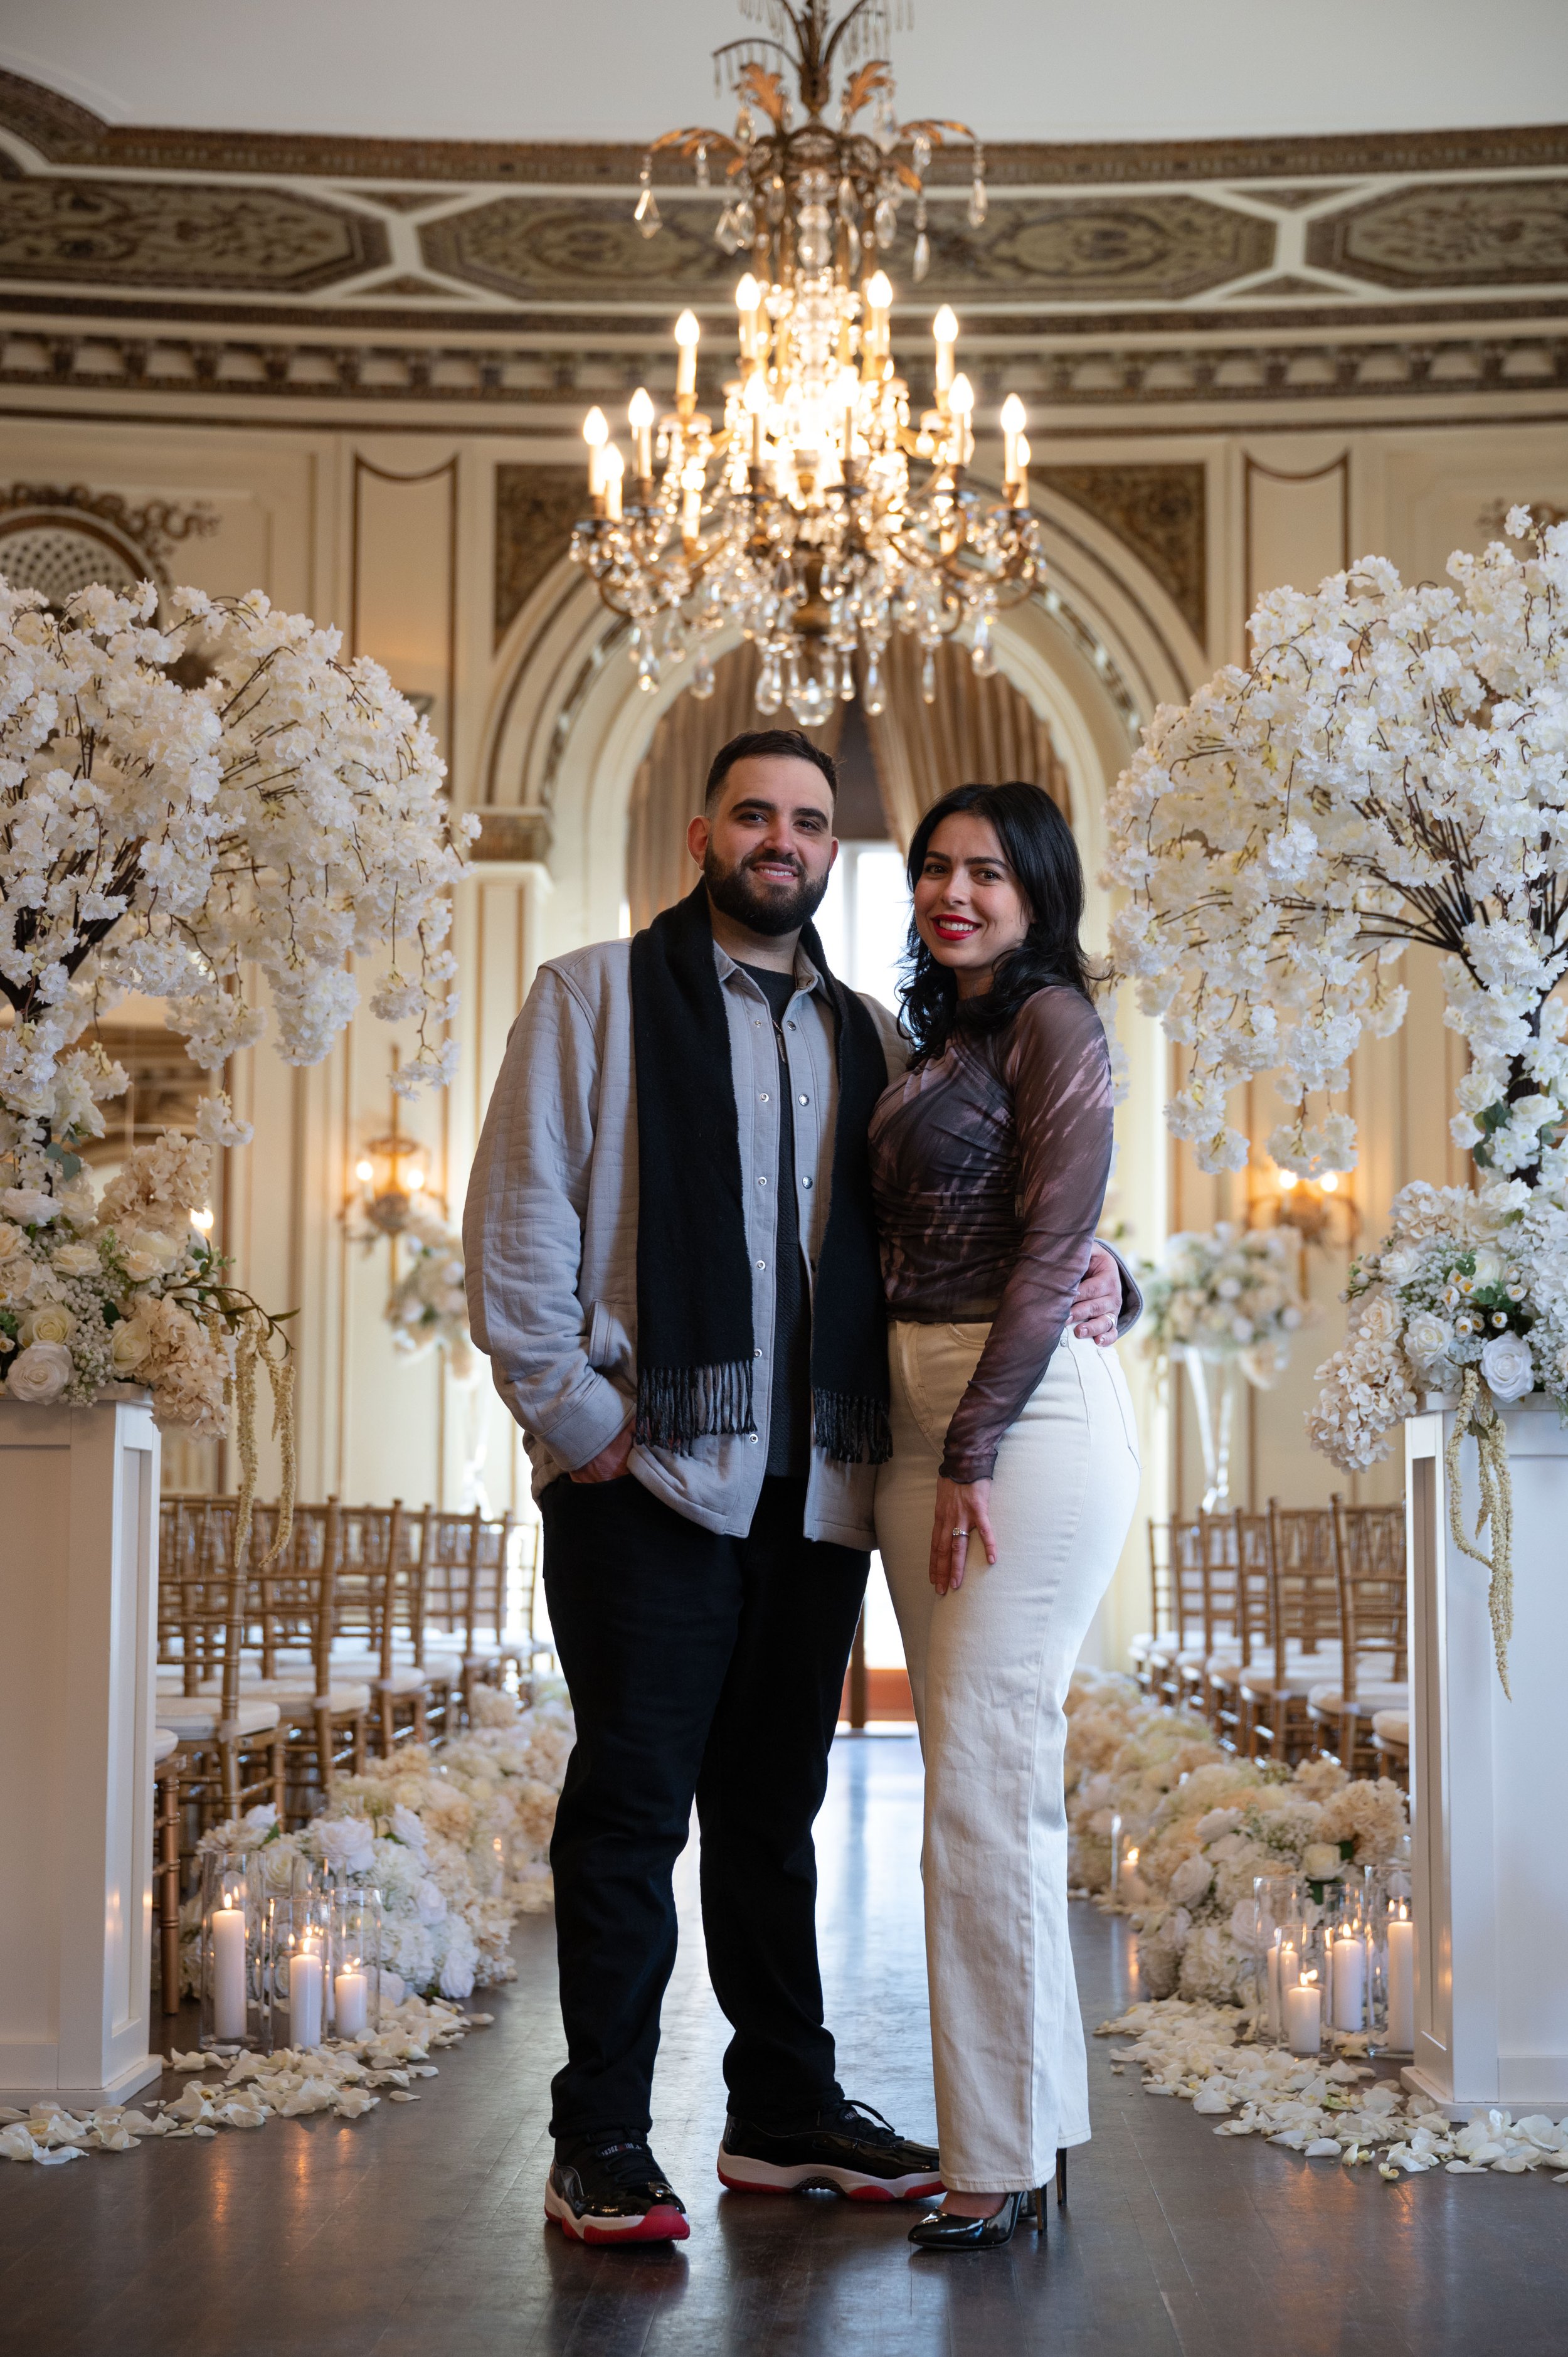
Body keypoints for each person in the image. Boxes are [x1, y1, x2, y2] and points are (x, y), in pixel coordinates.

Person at [464, 730, 1134, 2247]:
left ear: (837, 851)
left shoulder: (868, 1040)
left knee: (771, 1814)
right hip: (648, 1481)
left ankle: (778, 2111)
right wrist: (585, 1428)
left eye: (812, 822)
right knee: (630, 1812)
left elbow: (986, 1219)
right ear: (702, 832)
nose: (783, 839)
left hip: (826, 1481)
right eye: (755, 814)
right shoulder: (590, 997)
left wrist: (1115, 1273)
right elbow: (514, 1239)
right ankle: (604, 2139)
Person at [870, 780, 1142, 2253]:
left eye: (984, 870)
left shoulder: (1053, 1024)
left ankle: (992, 2154)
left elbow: (1055, 1240)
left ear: (1037, 891)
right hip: (927, 1422)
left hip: (1017, 1424)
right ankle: (1026, 2124)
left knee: (979, 1779)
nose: (952, 890)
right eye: (932, 868)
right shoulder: (939, 1041)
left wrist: (971, 1439)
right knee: (984, 1777)